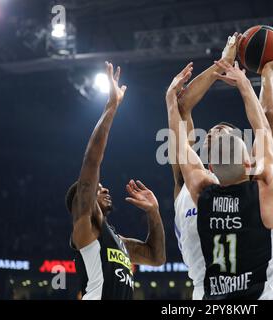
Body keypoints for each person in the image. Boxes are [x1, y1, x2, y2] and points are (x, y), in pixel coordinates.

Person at [166, 53, 273, 299]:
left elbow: (269, 118)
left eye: (226, 131)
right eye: (213, 131)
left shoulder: (199, 187)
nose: (218, 130)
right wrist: (246, 79)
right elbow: (263, 126)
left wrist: (169, 99)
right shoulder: (261, 187)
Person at [65, 62, 166, 300]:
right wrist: (111, 107)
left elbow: (156, 257)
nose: (105, 188)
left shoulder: (118, 242)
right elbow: (92, 161)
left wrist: (154, 213)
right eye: (98, 189)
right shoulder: (85, 229)